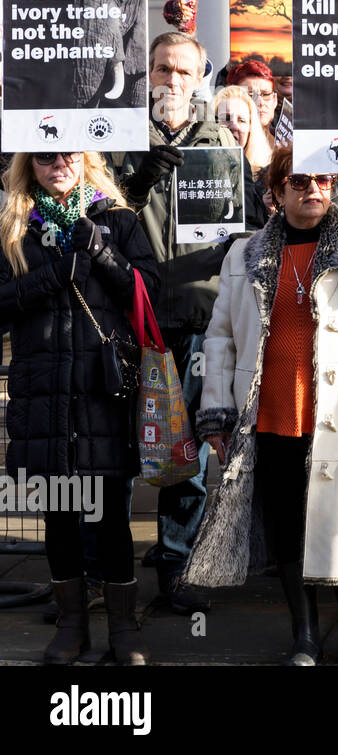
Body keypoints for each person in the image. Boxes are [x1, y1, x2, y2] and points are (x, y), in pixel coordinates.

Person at [185, 145, 338, 665]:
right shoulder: (243, 255)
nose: (314, 189)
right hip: (270, 415)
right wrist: (216, 414)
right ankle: (305, 635)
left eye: (326, 180)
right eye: (300, 180)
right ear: (275, 194)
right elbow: (219, 338)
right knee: (290, 529)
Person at [106, 31, 265, 614]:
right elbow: (95, 214)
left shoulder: (221, 138)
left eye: (181, 70)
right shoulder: (120, 139)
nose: (170, 80)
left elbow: (250, 230)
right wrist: (139, 178)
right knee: (120, 452)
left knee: (190, 455)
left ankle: (177, 564)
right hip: (131, 322)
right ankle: (109, 572)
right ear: (146, 73)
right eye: (160, 68)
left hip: (199, 321)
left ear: (201, 79)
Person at [0, 151, 160, 665]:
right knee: (60, 517)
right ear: (30, 164)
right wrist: (54, 275)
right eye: (44, 157)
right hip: (43, 392)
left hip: (102, 394)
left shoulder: (117, 219)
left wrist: (106, 257)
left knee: (113, 517)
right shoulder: (15, 225)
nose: (57, 164)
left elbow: (153, 294)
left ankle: (123, 629)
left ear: (86, 158)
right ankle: (71, 626)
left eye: (68, 154)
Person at [226, 59, 278, 173]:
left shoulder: (289, 144)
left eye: (265, 94)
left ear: (275, 100)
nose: (259, 102)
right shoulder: (220, 145)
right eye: (250, 95)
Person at [213, 84, 274, 181]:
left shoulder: (266, 177)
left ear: (251, 127)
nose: (234, 126)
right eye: (226, 118)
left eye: (241, 120)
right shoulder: (200, 169)